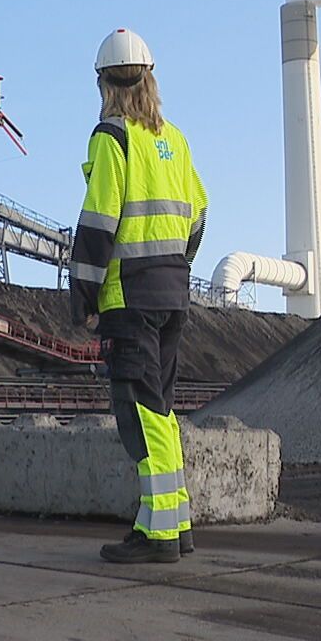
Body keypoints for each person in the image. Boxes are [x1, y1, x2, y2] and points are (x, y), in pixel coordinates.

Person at [71, 28, 208, 564]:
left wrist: (83, 294)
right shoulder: (175, 140)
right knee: (162, 408)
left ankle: (158, 538)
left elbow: (99, 221)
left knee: (140, 411)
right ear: (150, 79)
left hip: (129, 296)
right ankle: (172, 523)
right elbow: (199, 213)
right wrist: (175, 264)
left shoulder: (113, 137)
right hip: (172, 292)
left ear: (104, 84)